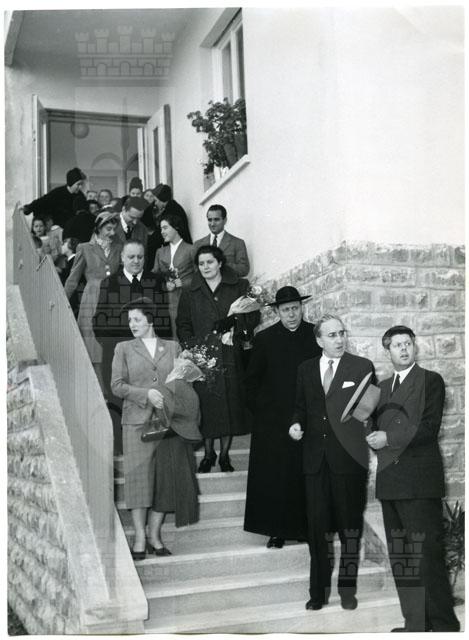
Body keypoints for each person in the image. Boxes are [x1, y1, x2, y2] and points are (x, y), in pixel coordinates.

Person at [366, 326, 460, 632]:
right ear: (388, 351)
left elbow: (428, 428)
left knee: (427, 556)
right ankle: (416, 625)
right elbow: (368, 427)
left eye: (408, 343)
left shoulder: (431, 381)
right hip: (390, 483)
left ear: (415, 347)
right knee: (402, 558)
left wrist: (387, 438)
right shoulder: (379, 388)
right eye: (397, 345)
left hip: (419, 483)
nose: (404, 349)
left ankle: (444, 625)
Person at [290, 314, 375, 612]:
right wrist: (296, 424)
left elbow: (369, 411)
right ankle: (318, 592)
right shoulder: (305, 369)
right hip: (315, 462)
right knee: (316, 530)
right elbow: (300, 407)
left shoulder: (362, 367)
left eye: (341, 333)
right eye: (332, 335)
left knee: (350, 528)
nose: (339, 339)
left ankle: (348, 591)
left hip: (349, 462)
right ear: (319, 340)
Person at [111, 297, 200, 559]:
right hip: (136, 422)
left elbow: (183, 382)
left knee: (165, 480)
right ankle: (139, 537)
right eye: (129, 320)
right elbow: (117, 385)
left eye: (136, 319)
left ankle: (154, 534)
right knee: (139, 481)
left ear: (150, 319)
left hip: (168, 423)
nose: (132, 324)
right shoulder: (123, 348)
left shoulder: (172, 347)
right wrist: (146, 394)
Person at [244, 286, 321, 549]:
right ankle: (276, 531)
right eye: (286, 310)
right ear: (277, 311)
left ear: (302, 308)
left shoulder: (315, 335)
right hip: (274, 421)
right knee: (276, 476)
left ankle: (307, 529)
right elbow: (251, 381)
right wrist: (263, 413)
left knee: (307, 475)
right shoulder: (265, 339)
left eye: (295, 309)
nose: (291, 314)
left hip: (309, 418)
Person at [177, 245, 259, 473]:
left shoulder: (239, 286)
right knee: (207, 406)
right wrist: (193, 349)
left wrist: (233, 322)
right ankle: (207, 454)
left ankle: (224, 456)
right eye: (201, 264)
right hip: (203, 358)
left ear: (220, 263)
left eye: (210, 262)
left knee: (229, 406)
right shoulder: (190, 291)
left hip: (230, 355)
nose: (205, 267)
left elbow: (253, 316)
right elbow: (182, 324)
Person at [93, 240, 170, 452]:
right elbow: (99, 323)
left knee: (151, 397)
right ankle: (120, 445)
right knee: (118, 398)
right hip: (119, 353)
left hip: (150, 355)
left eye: (140, 257)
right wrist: (118, 345)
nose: (136, 261)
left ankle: (153, 443)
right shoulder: (109, 283)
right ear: (122, 258)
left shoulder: (156, 281)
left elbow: (163, 319)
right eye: (131, 257)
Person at [64, 211, 122, 388]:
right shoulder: (84, 248)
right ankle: (98, 390)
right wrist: (62, 300)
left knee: (113, 345)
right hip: (92, 299)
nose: (112, 233)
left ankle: (113, 390)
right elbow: (73, 279)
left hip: (114, 298)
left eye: (114, 229)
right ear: (98, 228)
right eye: (108, 229)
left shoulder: (119, 246)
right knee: (93, 344)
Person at [153, 213, 194, 338]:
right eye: (161, 229)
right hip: (165, 301)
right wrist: (164, 284)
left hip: (185, 298)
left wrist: (184, 283)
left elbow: (200, 276)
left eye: (165, 228)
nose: (162, 232)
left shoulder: (191, 249)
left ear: (176, 227)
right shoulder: (160, 251)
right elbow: (154, 275)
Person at [143, 184, 192, 270]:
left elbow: (157, 237)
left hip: (181, 251)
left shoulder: (171, 211)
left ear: (162, 199)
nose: (155, 203)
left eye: (156, 200)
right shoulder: (172, 207)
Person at [192, 204, 250, 277]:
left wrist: (220, 263)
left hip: (229, 283)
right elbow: (196, 271)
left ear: (225, 220)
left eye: (216, 220)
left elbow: (244, 269)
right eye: (210, 220)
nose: (212, 224)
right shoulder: (198, 245)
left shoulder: (237, 243)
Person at [22, 167, 87, 228]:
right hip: (56, 229)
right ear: (71, 183)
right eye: (78, 184)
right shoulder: (57, 193)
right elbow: (42, 201)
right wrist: (29, 208)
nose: (80, 187)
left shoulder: (80, 196)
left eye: (81, 184)